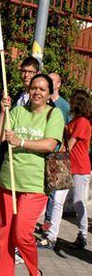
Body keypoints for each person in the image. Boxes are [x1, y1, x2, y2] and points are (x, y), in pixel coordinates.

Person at [0, 74, 64, 276]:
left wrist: (20, 142)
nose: (37, 92)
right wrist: (3, 112)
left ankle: (34, 274)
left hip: (35, 186)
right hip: (8, 183)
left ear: (50, 94)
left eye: (42, 89)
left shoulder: (54, 114)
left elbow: (50, 144)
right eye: (33, 88)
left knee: (21, 234)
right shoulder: (17, 112)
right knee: (4, 236)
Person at [0, 56, 40, 264]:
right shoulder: (15, 95)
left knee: (19, 206)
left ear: (37, 74)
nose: (26, 75)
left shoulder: (43, 103)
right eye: (23, 71)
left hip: (26, 161)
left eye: (30, 72)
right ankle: (9, 239)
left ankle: (16, 243)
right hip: (6, 158)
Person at [38, 89, 91, 250]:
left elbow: (70, 145)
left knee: (78, 201)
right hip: (67, 165)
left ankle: (82, 235)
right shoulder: (75, 120)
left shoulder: (82, 122)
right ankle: (51, 236)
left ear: (77, 103)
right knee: (58, 201)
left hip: (79, 167)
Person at [41, 72, 71, 234]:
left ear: (59, 85)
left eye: (53, 81)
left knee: (53, 193)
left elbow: (69, 131)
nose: (50, 83)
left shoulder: (64, 106)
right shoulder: (42, 102)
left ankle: (47, 225)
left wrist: (63, 151)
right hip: (41, 151)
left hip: (56, 154)